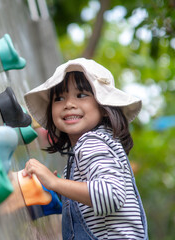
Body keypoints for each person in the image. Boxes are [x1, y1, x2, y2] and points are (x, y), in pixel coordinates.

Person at [23, 58, 148, 239]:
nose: (69, 104)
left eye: (81, 95)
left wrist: (54, 182)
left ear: (105, 107)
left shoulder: (92, 142)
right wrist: (62, 189)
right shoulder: (91, 146)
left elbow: (111, 195)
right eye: (59, 98)